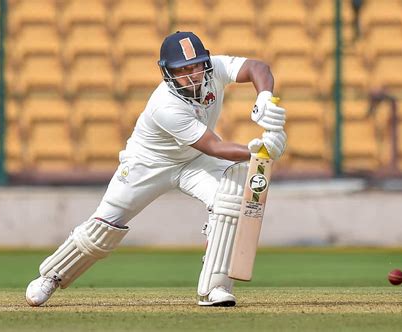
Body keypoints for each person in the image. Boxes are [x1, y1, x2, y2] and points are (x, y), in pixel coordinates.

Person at [25, 31, 287, 307]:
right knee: (102, 229)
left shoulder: (214, 69)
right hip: (148, 164)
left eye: (196, 66)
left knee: (231, 195)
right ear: (167, 72)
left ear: (204, 63)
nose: (192, 75)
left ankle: (215, 288)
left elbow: (258, 68)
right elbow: (214, 147)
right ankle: (51, 276)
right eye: (182, 70)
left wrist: (264, 97)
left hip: (193, 161)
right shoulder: (165, 105)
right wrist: (260, 151)